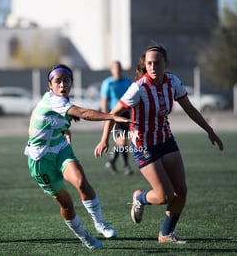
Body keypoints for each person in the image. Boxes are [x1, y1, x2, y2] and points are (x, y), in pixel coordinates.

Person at [94, 45, 224, 244]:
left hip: (166, 139)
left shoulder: (173, 82)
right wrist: (104, 140)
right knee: (164, 195)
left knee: (181, 192)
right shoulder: (138, 87)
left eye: (157, 63)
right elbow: (113, 112)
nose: (153, 67)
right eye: (149, 63)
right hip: (143, 145)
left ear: (166, 64)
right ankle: (140, 198)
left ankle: (165, 234)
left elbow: (189, 108)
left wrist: (210, 130)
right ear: (145, 65)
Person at [25, 64, 134, 249]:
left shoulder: (62, 101)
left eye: (66, 80)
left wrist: (65, 131)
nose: (62, 85)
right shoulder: (53, 100)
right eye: (57, 81)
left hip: (59, 150)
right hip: (40, 161)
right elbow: (83, 113)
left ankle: (99, 224)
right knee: (67, 203)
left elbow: (55, 122)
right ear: (49, 85)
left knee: (82, 182)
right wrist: (111, 117)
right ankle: (84, 236)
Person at [100, 61, 133, 175]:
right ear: (111, 70)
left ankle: (112, 162)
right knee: (122, 141)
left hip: (126, 115)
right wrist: (105, 117)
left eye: (119, 68)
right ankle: (126, 166)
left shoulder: (128, 82)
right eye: (115, 68)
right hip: (114, 115)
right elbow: (104, 101)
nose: (117, 70)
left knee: (122, 141)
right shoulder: (108, 83)